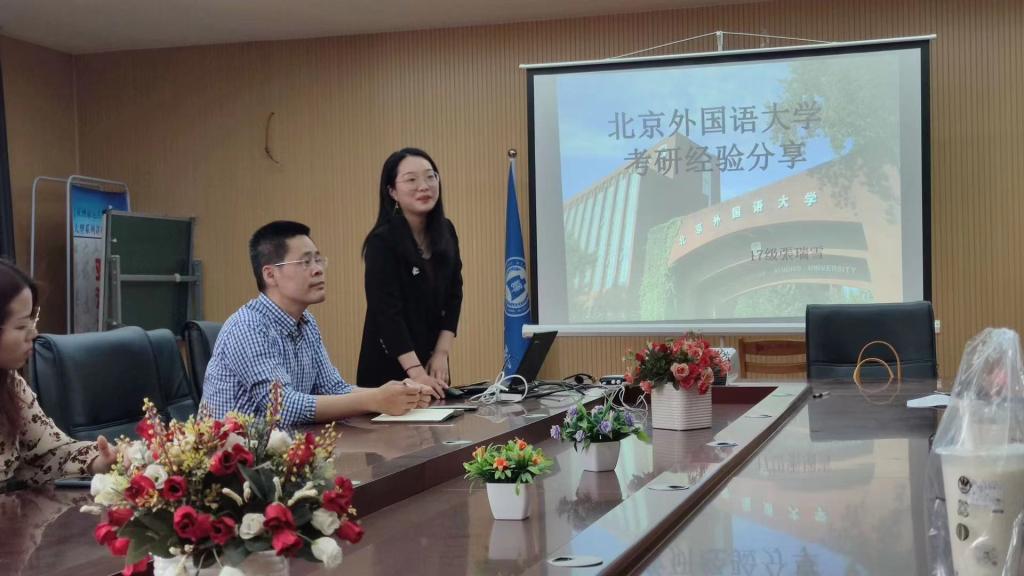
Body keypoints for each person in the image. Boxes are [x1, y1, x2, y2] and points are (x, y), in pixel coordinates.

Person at [201, 221, 433, 428]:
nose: (318, 269)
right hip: (234, 457)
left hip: (286, 452)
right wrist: (375, 400)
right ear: (270, 275)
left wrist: (399, 395)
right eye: (305, 262)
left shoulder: (306, 322)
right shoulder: (247, 326)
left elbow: (333, 388)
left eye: (318, 260)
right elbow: (283, 408)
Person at [0, 260, 117, 490]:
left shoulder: (10, 384)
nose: (33, 334)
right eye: (21, 326)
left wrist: (99, 460)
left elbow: (48, 454)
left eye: (32, 322)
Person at [358, 148, 463, 396]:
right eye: (411, 179)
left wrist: (441, 353)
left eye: (430, 176)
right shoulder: (382, 242)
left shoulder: (446, 231)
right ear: (392, 191)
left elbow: (454, 294)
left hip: (431, 364)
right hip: (389, 368)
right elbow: (387, 314)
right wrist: (417, 374)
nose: (423, 186)